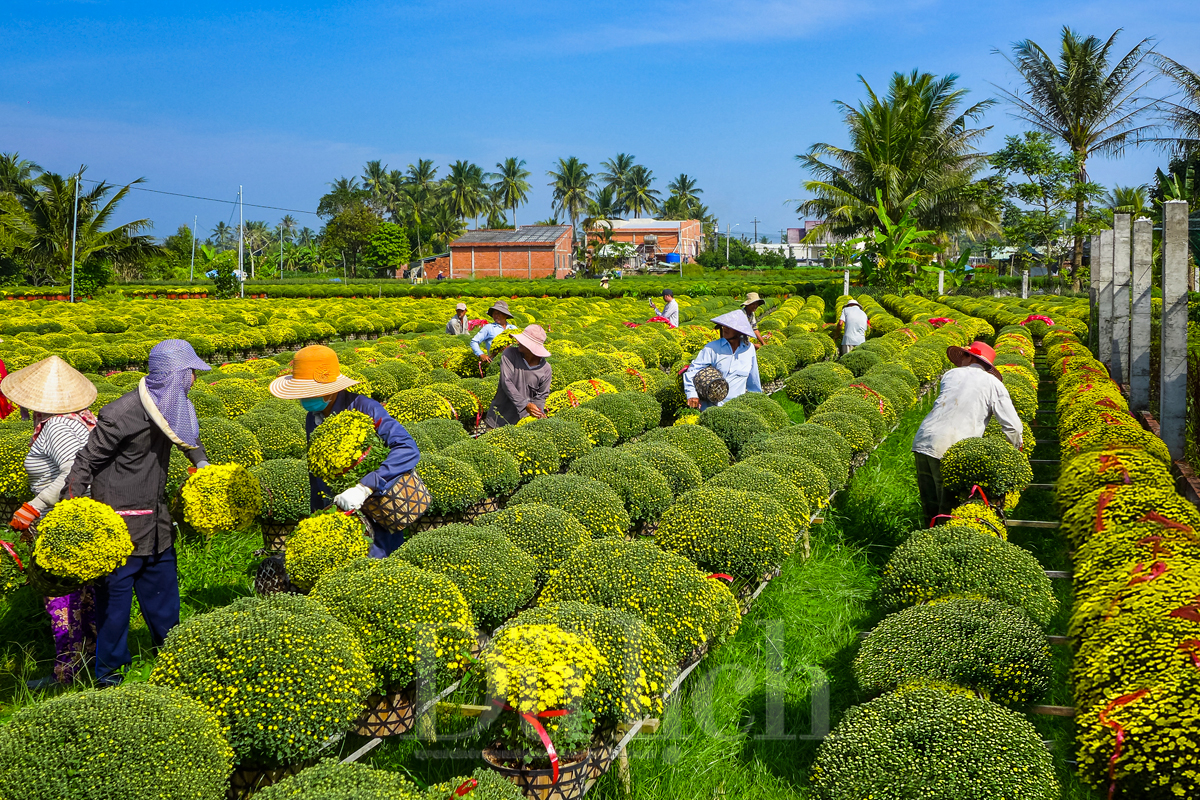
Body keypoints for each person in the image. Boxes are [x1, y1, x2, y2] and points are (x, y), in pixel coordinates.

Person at [62, 340, 212, 687]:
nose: (193, 379)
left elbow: (186, 436)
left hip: (157, 524)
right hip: (120, 528)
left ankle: (175, 666)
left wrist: (202, 465)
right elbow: (86, 462)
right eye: (189, 373)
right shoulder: (122, 413)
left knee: (164, 603)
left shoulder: (174, 405)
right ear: (172, 375)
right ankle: (109, 676)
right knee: (114, 610)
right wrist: (73, 514)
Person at [269, 345, 420, 557]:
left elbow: (407, 448)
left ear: (331, 389)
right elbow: (317, 473)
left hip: (378, 514)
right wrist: (318, 513)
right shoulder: (312, 418)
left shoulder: (365, 408)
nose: (303, 398)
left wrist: (365, 487)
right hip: (338, 517)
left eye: (308, 392)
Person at [4, 356, 99, 686]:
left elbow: (74, 473)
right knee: (84, 598)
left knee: (62, 600)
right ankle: (90, 664)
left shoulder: (58, 427)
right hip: (75, 522)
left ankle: (67, 674)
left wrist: (34, 506)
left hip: (63, 527)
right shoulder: (71, 421)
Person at [911, 342, 1023, 527]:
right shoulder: (993, 384)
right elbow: (1013, 427)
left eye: (963, 355)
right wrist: (1012, 453)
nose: (960, 360)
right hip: (953, 449)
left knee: (929, 506)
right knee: (948, 512)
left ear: (971, 358)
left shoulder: (950, 375)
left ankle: (925, 538)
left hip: (924, 440)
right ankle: (941, 548)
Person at [683, 311, 763, 410]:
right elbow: (693, 370)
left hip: (737, 409)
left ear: (739, 331)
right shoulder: (712, 348)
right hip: (710, 408)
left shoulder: (749, 349)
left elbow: (753, 381)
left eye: (729, 326)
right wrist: (692, 394)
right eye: (724, 325)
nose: (725, 328)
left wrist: (758, 403)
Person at [484, 325, 553, 428]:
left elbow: (541, 396)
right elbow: (506, 382)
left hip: (522, 424)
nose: (518, 342)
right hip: (497, 420)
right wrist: (526, 405)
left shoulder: (546, 369)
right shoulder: (509, 354)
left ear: (532, 347)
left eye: (523, 341)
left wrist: (537, 414)